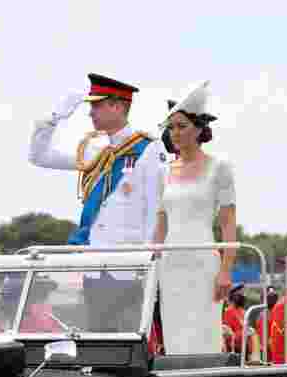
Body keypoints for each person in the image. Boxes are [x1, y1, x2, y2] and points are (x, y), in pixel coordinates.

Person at [29, 73, 165, 248]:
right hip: (90, 254)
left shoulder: (148, 149)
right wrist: (54, 118)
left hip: (127, 261)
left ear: (116, 106)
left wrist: (149, 260)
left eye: (96, 105)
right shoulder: (92, 148)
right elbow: (39, 157)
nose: (90, 113)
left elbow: (156, 210)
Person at [152, 81, 236, 354]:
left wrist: (225, 269)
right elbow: (161, 224)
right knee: (175, 334)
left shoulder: (219, 167)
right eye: (171, 127)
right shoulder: (164, 171)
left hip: (203, 262)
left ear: (199, 129)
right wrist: (151, 262)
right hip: (171, 263)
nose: (175, 133)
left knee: (204, 332)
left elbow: (227, 223)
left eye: (182, 126)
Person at [222, 284, 251, 358]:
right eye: (241, 294)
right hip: (236, 350)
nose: (243, 296)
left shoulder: (243, 311)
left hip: (245, 348)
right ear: (234, 296)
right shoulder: (229, 312)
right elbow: (228, 334)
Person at [252, 285, 278, 362]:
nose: (272, 298)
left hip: (275, 354)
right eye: (270, 297)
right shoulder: (264, 316)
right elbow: (264, 341)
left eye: (273, 296)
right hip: (268, 356)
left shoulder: (275, 312)